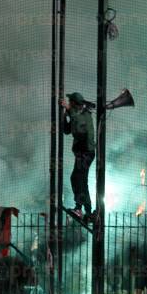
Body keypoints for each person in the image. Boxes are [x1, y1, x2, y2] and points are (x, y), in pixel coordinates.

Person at [60, 93, 96, 222]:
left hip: (85, 153)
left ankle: (79, 209)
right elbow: (67, 130)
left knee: (77, 178)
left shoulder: (84, 115)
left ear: (74, 103)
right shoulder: (76, 115)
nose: (68, 103)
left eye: (70, 102)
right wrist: (65, 115)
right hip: (82, 153)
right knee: (82, 181)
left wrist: (69, 110)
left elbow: (79, 123)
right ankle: (88, 212)